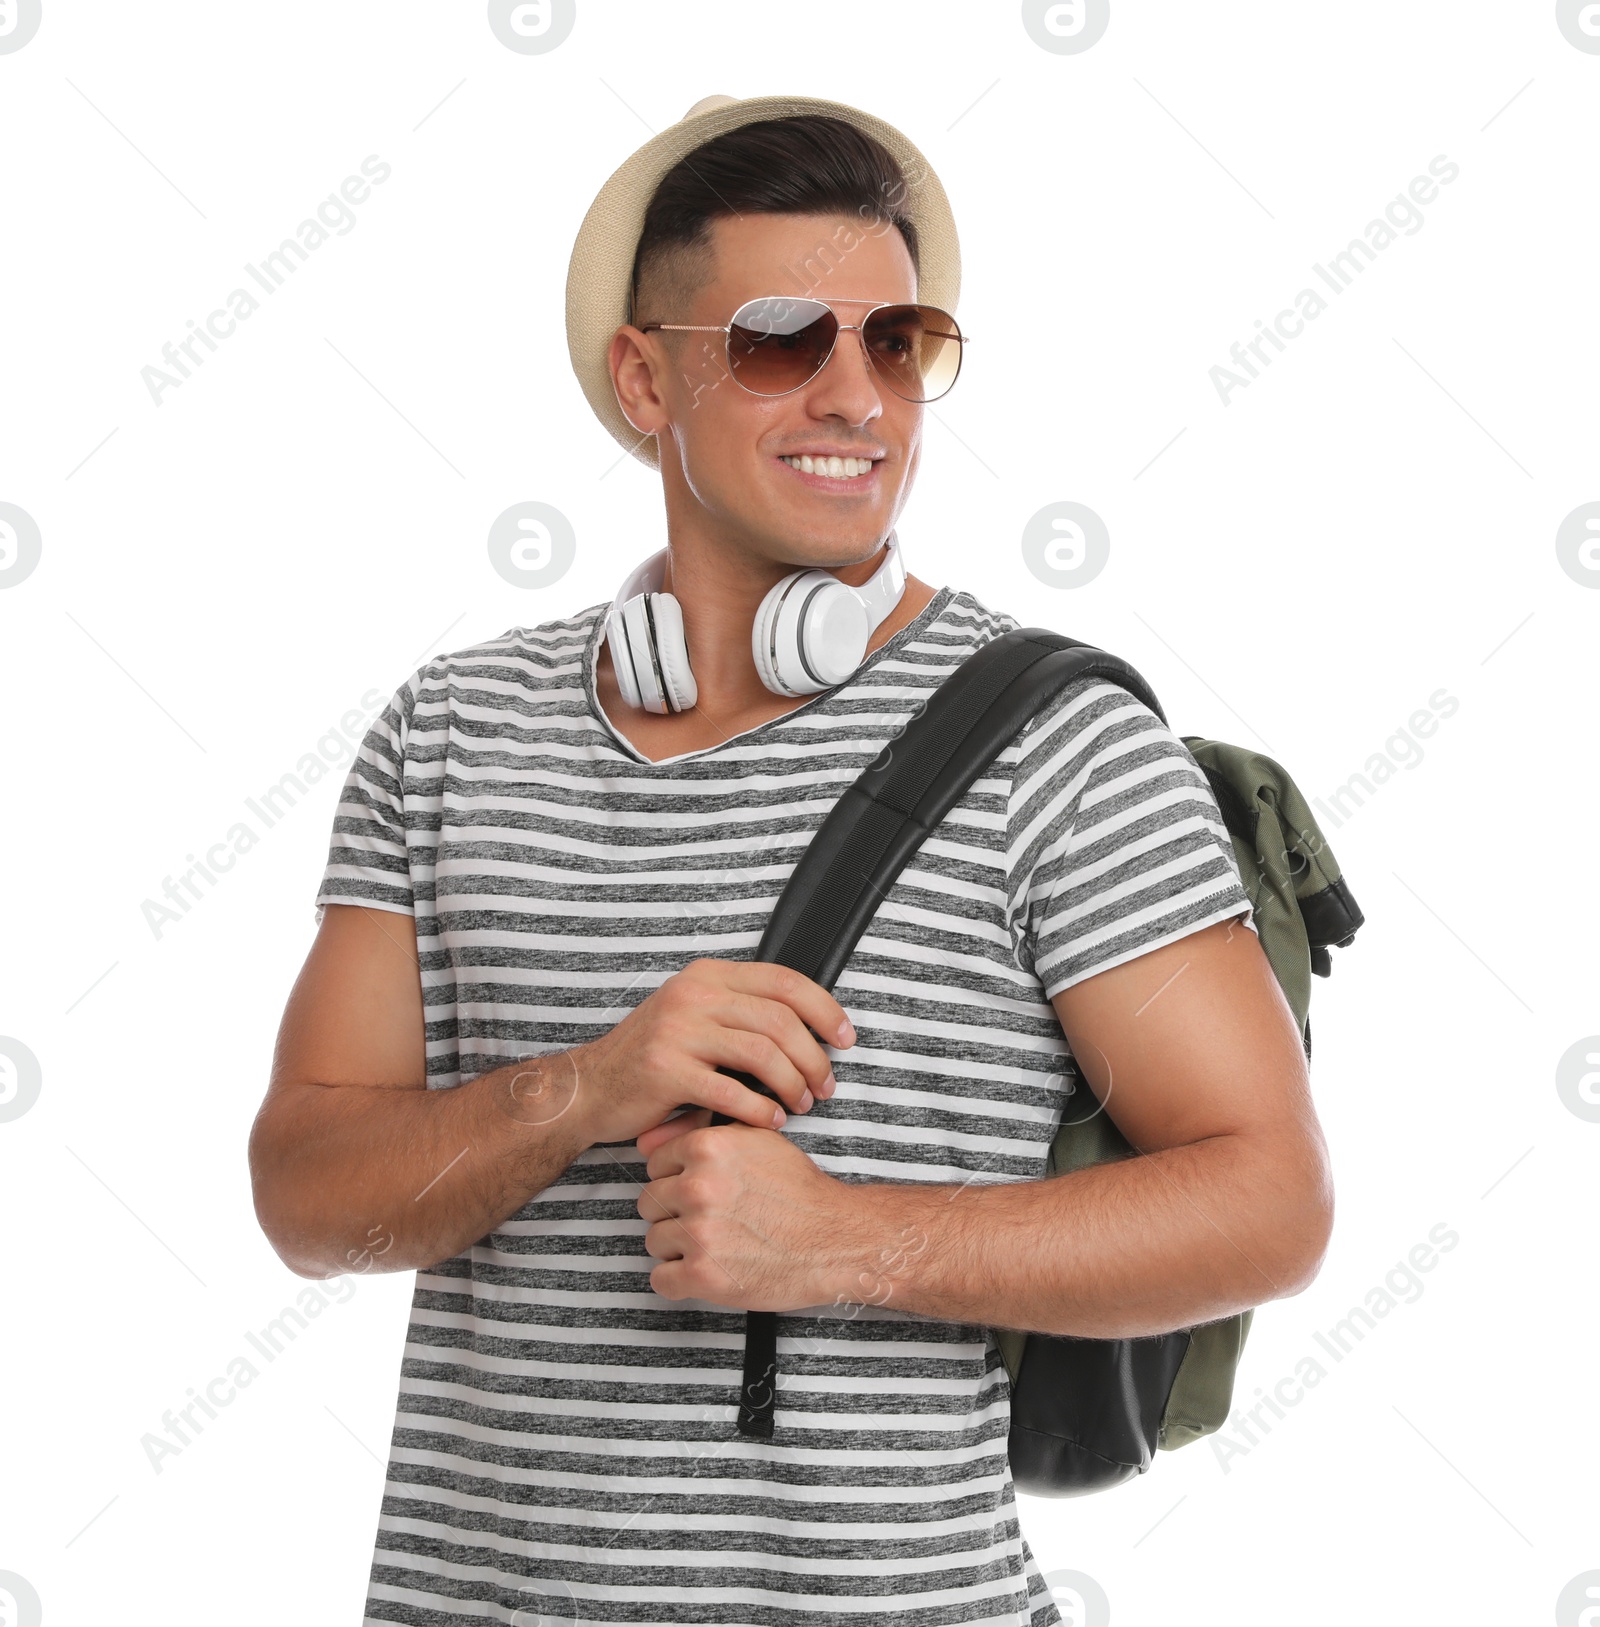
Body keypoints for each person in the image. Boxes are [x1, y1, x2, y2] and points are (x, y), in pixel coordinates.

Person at [248, 94, 1333, 1627]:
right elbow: (306, 1196)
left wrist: (839, 1241)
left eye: (897, 344)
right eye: (776, 340)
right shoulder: (449, 734)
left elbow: (1269, 1204)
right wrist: (587, 1087)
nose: (856, 398)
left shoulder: (1060, 747)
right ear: (645, 377)